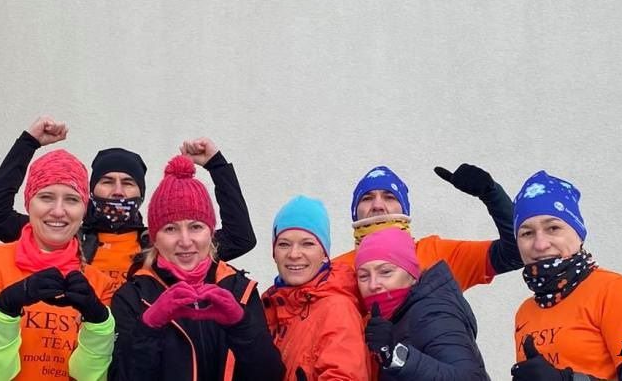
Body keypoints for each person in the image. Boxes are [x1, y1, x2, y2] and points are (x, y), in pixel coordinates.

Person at [0, 117, 257, 293]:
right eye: (107, 181)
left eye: (128, 183)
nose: (118, 191)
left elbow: (240, 238)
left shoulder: (160, 244)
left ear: (142, 193)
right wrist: (28, 143)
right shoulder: (65, 236)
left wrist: (217, 166)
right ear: (90, 192)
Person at [109, 156, 284, 381]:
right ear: (154, 239)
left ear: (211, 233)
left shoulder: (241, 289)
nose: (185, 241)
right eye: (170, 229)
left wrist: (241, 326)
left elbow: (270, 376)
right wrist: (148, 328)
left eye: (196, 227)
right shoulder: (131, 297)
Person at [0, 148, 114, 380]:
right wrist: (4, 311)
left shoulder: (99, 283)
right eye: (46, 197)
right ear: (28, 203)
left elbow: (88, 377)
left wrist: (98, 326)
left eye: (72, 200)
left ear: (84, 210)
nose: (58, 211)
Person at [510, 171, 622, 381]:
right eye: (527, 233)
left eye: (553, 228)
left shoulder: (617, 292)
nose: (540, 244)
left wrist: (568, 380)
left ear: (579, 234)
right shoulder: (525, 312)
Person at [333, 163, 523, 293]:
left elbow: (517, 253)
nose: (377, 205)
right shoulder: (334, 271)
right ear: (354, 212)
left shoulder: (439, 255)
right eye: (367, 198)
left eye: (389, 197)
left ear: (404, 209)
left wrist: (492, 194)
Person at [357, 227, 489, 380]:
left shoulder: (432, 314)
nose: (373, 285)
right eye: (364, 276)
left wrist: (397, 356)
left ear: (412, 274)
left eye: (386, 272)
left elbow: (471, 378)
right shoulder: (400, 314)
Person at [262, 195, 369, 381]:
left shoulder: (337, 309)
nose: (294, 254)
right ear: (274, 253)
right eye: (284, 244)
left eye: (307, 244)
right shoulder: (269, 304)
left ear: (324, 254)